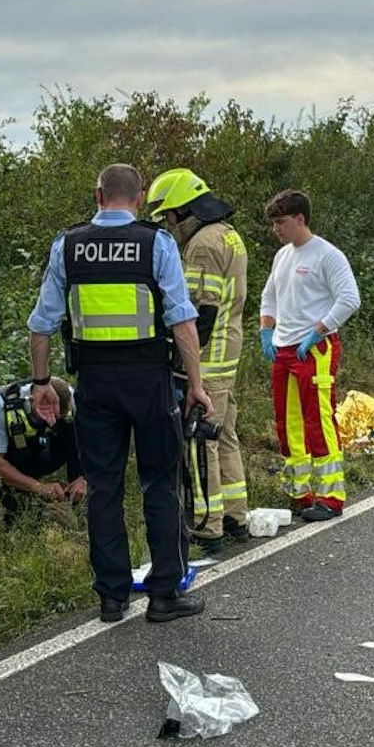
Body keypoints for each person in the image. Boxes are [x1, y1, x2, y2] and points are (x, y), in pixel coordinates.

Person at [26, 163, 212, 624]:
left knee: (104, 488)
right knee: (160, 483)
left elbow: (41, 324)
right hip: (149, 381)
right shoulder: (157, 243)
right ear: (141, 196)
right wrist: (196, 385)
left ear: (97, 194)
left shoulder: (67, 246)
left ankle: (111, 597)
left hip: (95, 385)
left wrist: (42, 383)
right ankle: (165, 593)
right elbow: (182, 321)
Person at [145, 167, 252, 551]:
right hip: (229, 353)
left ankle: (208, 526)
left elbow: (197, 313)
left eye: (168, 216)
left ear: (184, 210)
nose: (168, 226)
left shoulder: (203, 245)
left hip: (207, 360)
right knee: (225, 436)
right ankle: (235, 515)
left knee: (199, 441)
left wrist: (182, 363)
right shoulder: (230, 236)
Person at [258, 189, 360, 521]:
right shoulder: (282, 256)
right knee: (288, 424)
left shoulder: (327, 255)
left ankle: (331, 497)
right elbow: (269, 295)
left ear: (300, 219)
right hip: (284, 349)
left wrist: (319, 330)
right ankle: (300, 492)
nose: (277, 229)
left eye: (281, 222)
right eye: (274, 223)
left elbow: (349, 299)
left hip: (313, 349)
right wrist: (265, 328)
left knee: (318, 419)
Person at [0, 377, 85, 522]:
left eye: (57, 417)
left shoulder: (74, 400)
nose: (51, 421)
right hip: (14, 457)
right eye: (46, 415)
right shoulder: (1, 404)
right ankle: (27, 500)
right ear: (32, 400)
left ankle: (73, 494)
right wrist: (38, 487)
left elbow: (92, 442)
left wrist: (83, 478)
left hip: (47, 453)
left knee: (75, 430)